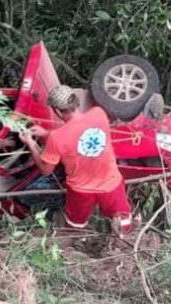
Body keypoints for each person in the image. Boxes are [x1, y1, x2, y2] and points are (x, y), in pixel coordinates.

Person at [19, 85, 133, 238]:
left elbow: (46, 170)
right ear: (76, 101)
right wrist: (46, 133)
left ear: (58, 111)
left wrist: (31, 144)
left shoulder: (57, 137)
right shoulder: (99, 114)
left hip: (81, 190)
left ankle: (75, 243)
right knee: (123, 220)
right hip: (111, 183)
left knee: (75, 224)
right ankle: (124, 242)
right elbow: (77, 132)